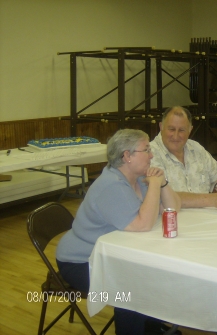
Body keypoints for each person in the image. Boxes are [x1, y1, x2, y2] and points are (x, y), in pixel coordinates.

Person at [56, 129, 182, 335]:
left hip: (112, 254)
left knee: (151, 273)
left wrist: (163, 182)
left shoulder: (138, 178)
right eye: (146, 150)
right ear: (127, 156)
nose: (152, 155)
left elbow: (172, 209)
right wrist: (155, 186)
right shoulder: (111, 186)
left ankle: (150, 326)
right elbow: (142, 225)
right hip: (81, 260)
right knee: (130, 288)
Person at [150, 106, 217, 210]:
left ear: (190, 130)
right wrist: (214, 200)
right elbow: (163, 196)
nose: (176, 135)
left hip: (206, 217)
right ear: (161, 127)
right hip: (173, 221)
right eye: (171, 129)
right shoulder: (149, 154)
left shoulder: (196, 149)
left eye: (182, 130)